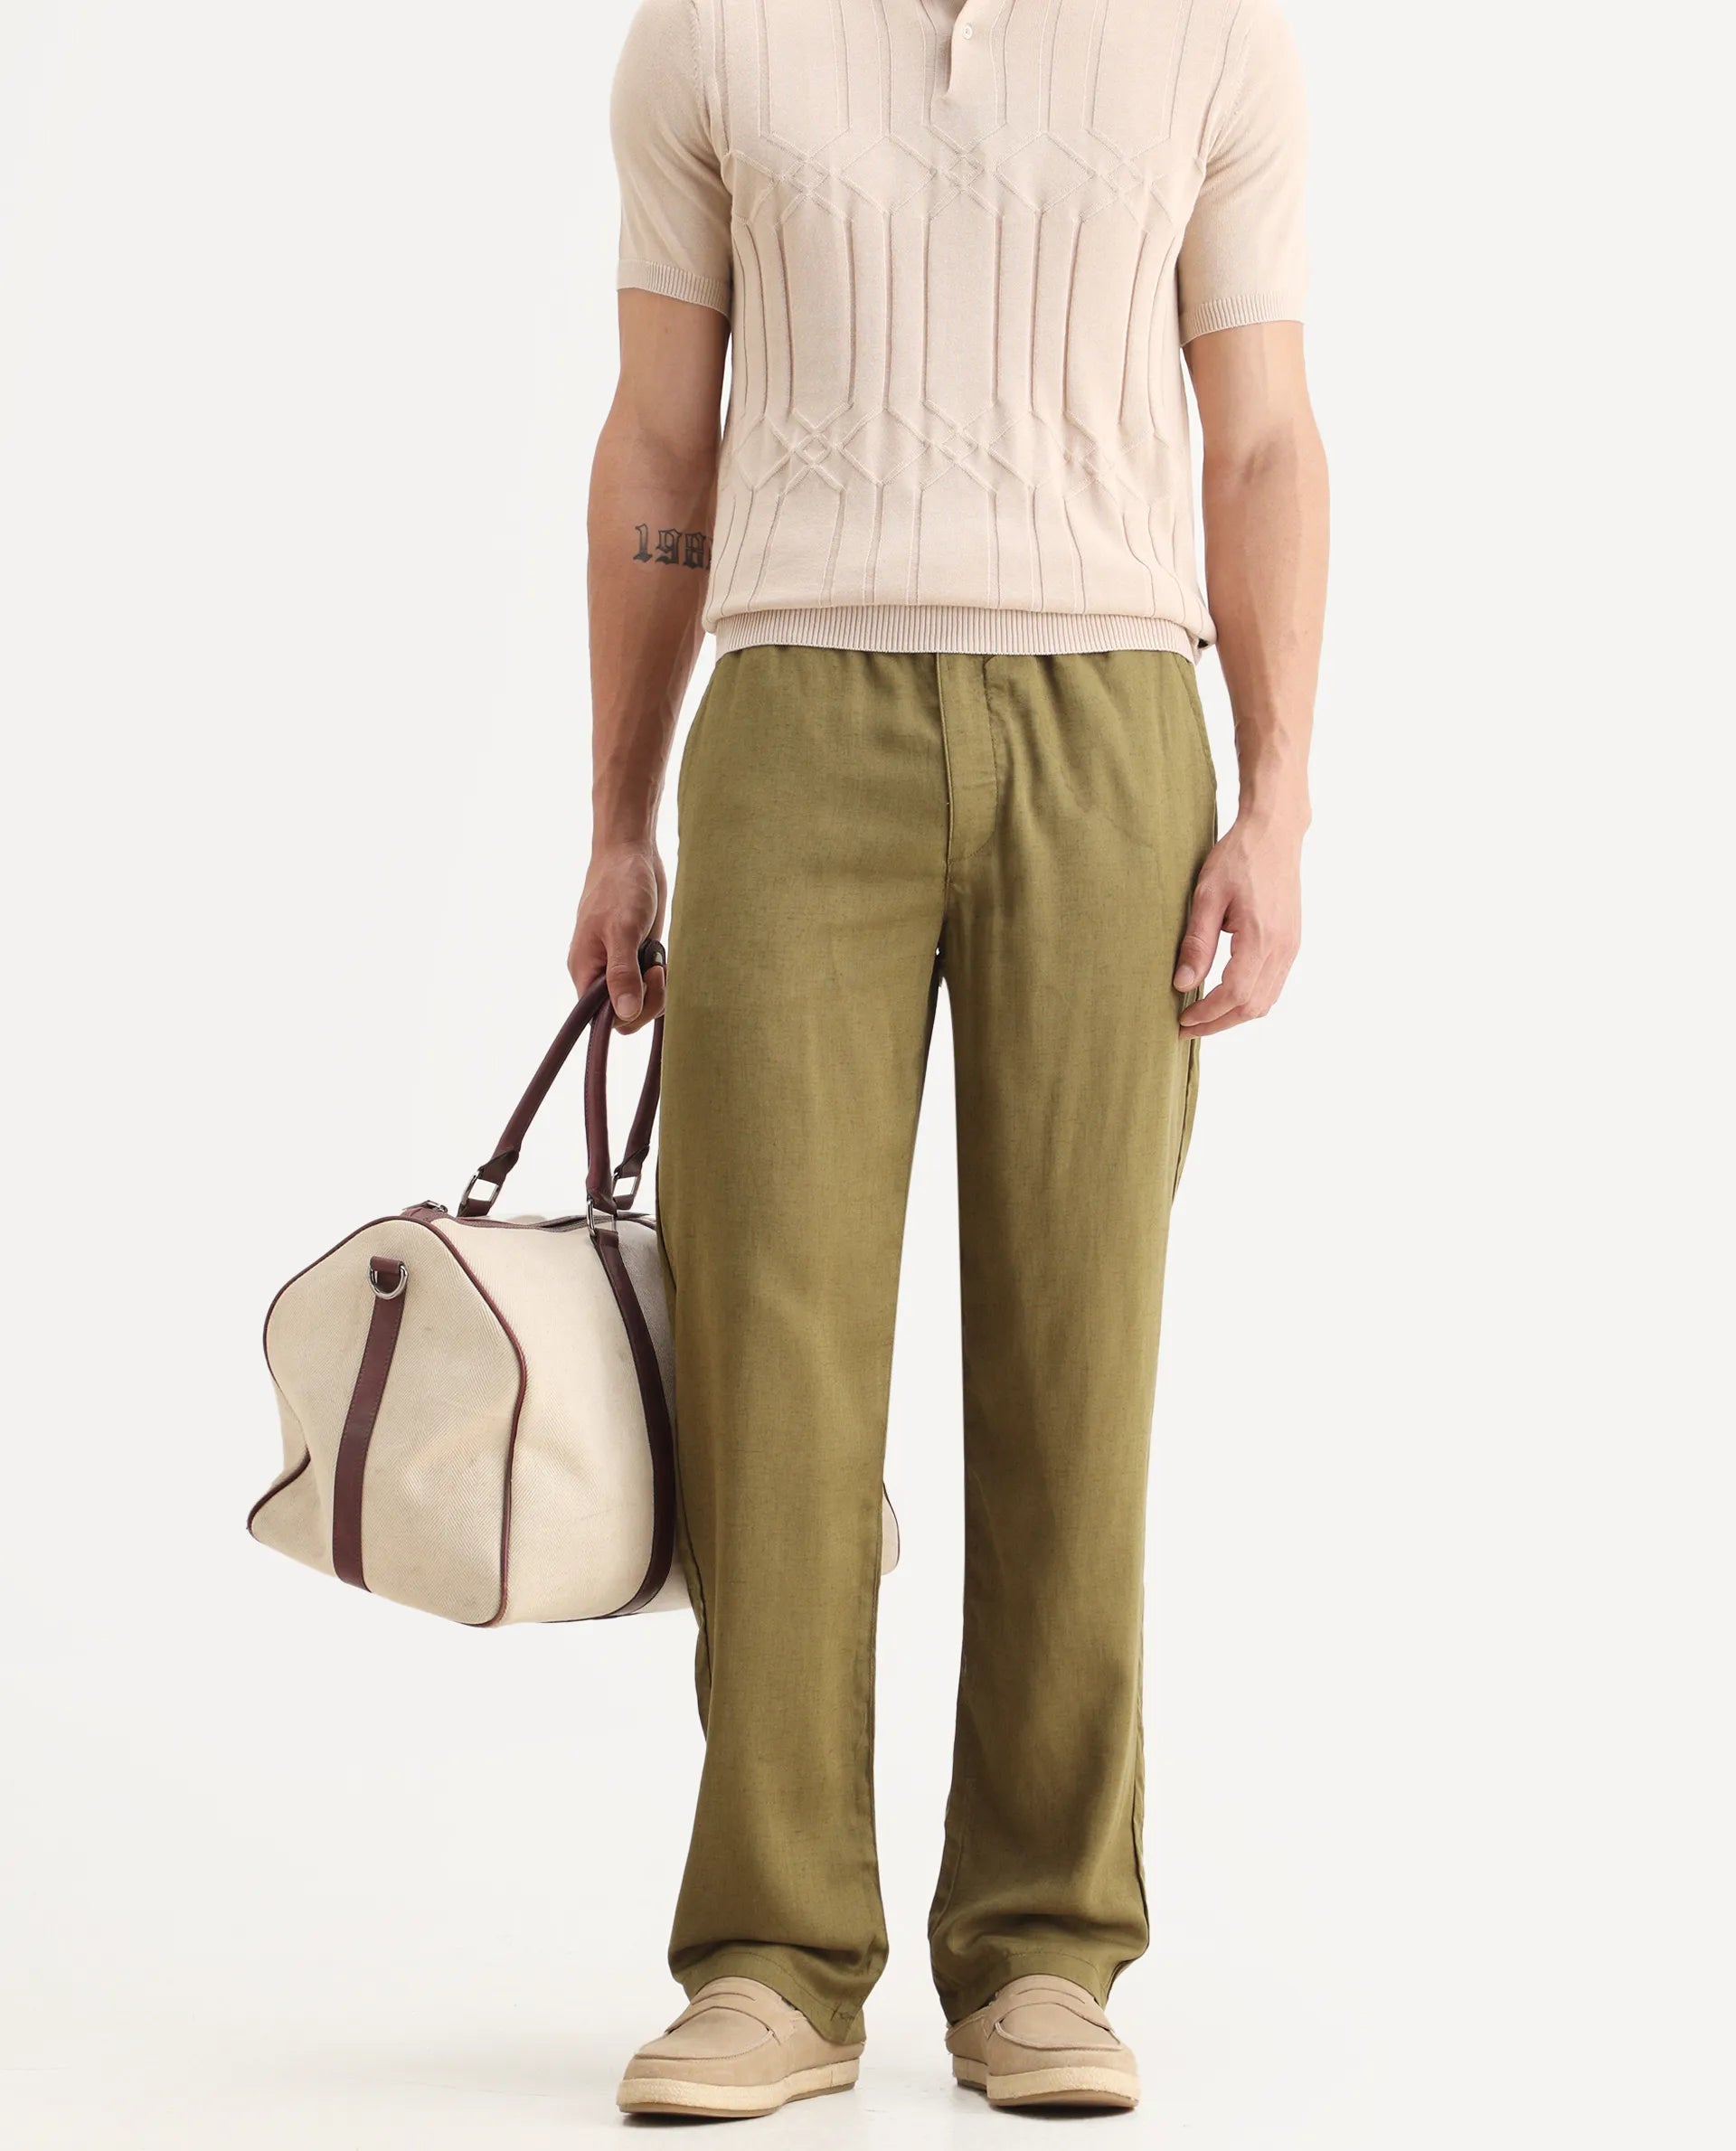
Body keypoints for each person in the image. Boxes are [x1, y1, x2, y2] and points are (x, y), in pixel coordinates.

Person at [569, 0, 1326, 2118]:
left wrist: (1275, 802)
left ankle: (1048, 1949)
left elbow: (1263, 439)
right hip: (793, 717)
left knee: (1080, 1350)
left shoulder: (1210, 36)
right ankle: (773, 1958)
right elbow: (660, 440)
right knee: (768, 1356)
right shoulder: (708, 31)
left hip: (1110, 722)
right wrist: (620, 814)